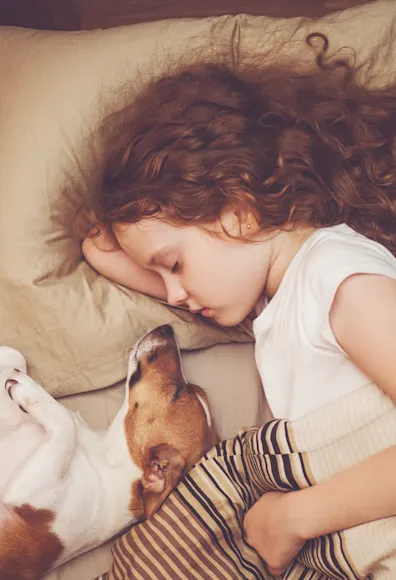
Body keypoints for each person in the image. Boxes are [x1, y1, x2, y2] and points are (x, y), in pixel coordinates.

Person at [82, 34, 396, 576]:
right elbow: (99, 248)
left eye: (174, 265)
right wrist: (143, 234)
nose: (174, 295)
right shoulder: (280, 300)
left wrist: (298, 516)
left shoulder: (337, 277)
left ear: (241, 208)